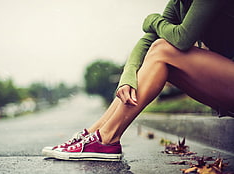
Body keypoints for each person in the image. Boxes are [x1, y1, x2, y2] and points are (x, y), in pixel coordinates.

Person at [42, 0, 234, 161]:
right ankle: (97, 133)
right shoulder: (179, 3)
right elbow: (146, 43)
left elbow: (182, 38)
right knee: (158, 54)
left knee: (163, 49)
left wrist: (153, 20)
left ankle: (106, 139)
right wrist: (127, 78)